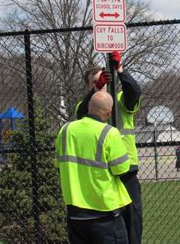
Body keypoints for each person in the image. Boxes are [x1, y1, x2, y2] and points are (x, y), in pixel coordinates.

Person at [76, 51, 142, 244]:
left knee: (133, 222)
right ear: (88, 86)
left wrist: (120, 70)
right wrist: (95, 91)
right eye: (96, 82)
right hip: (99, 175)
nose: (101, 84)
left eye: (105, 80)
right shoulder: (84, 105)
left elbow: (134, 92)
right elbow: (81, 114)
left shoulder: (120, 101)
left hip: (125, 171)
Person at [56, 91, 131, 244]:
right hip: (105, 213)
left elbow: (59, 164)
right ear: (109, 112)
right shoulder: (109, 133)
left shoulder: (65, 130)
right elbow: (122, 169)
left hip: (75, 212)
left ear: (89, 106)